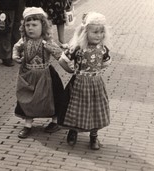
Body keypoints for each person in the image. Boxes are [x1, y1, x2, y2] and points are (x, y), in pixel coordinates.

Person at [57, 12, 112, 150]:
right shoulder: (77, 47)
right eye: (95, 32)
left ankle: (94, 136)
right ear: (85, 32)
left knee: (96, 110)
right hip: (79, 84)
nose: (99, 35)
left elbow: (106, 62)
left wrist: (96, 71)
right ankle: (73, 131)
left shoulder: (103, 49)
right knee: (76, 109)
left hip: (96, 84)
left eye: (101, 32)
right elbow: (62, 60)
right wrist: (70, 71)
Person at [12, 7, 66, 139]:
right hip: (28, 74)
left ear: (43, 25)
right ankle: (28, 124)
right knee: (27, 96)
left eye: (34, 25)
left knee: (53, 97)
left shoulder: (47, 42)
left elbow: (58, 54)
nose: (30, 28)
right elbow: (16, 47)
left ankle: (54, 121)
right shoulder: (24, 41)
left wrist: (66, 61)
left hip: (46, 75)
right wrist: (15, 55)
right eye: (27, 25)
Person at [0, 0, 25, 67]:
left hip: (19, 3)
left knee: (17, 29)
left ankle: (15, 52)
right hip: (5, 4)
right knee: (5, 28)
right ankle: (5, 56)